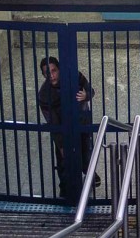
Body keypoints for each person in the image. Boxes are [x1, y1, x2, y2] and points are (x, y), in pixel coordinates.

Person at [38, 56, 100, 198]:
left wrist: (87, 95)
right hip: (62, 128)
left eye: (54, 71)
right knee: (63, 161)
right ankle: (65, 189)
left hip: (82, 123)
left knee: (86, 152)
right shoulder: (44, 94)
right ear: (43, 75)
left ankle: (89, 173)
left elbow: (91, 90)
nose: (51, 75)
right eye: (47, 73)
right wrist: (61, 146)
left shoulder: (75, 76)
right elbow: (53, 123)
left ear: (60, 70)